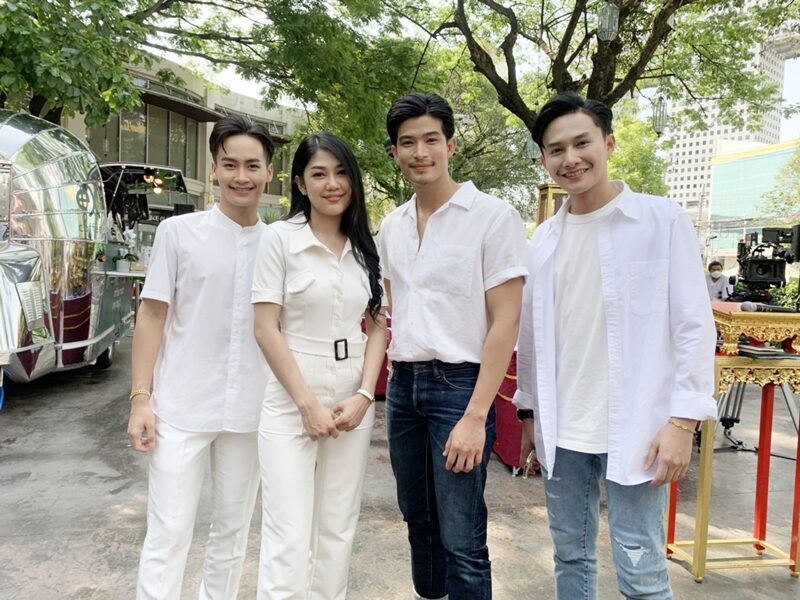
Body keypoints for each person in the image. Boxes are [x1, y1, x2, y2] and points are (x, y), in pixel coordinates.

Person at [514, 91, 717, 600]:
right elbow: (531, 338)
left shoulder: (661, 221)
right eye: (556, 149)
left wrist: (683, 423)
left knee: (641, 568)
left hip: (639, 425)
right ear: (544, 159)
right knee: (570, 558)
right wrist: (529, 414)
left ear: (608, 143)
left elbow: (694, 326)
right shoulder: (543, 242)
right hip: (564, 429)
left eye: (582, 143)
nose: (570, 158)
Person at [379, 92, 528, 600]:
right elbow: (393, 308)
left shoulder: (492, 217)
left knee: (462, 535)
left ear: (451, 145)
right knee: (417, 518)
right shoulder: (392, 226)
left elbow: (506, 320)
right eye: (407, 143)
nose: (420, 152)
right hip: (404, 386)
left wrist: (475, 415)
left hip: (460, 386)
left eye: (431, 140)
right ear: (395, 152)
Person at [127, 115, 274, 600]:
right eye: (230, 164)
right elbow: (152, 315)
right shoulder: (178, 233)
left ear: (269, 171)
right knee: (168, 531)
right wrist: (140, 398)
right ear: (214, 169)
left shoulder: (280, 244)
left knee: (232, 533)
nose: (241, 176)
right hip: (181, 405)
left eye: (252, 165)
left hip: (250, 409)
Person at [252, 132, 388, 600]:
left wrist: (365, 395)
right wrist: (307, 404)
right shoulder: (279, 239)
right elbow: (265, 328)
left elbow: (377, 326)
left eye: (341, 172)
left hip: (352, 392)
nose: (332, 184)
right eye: (319, 174)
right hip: (292, 392)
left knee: (337, 526)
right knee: (288, 533)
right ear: (300, 183)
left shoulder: (367, 246)